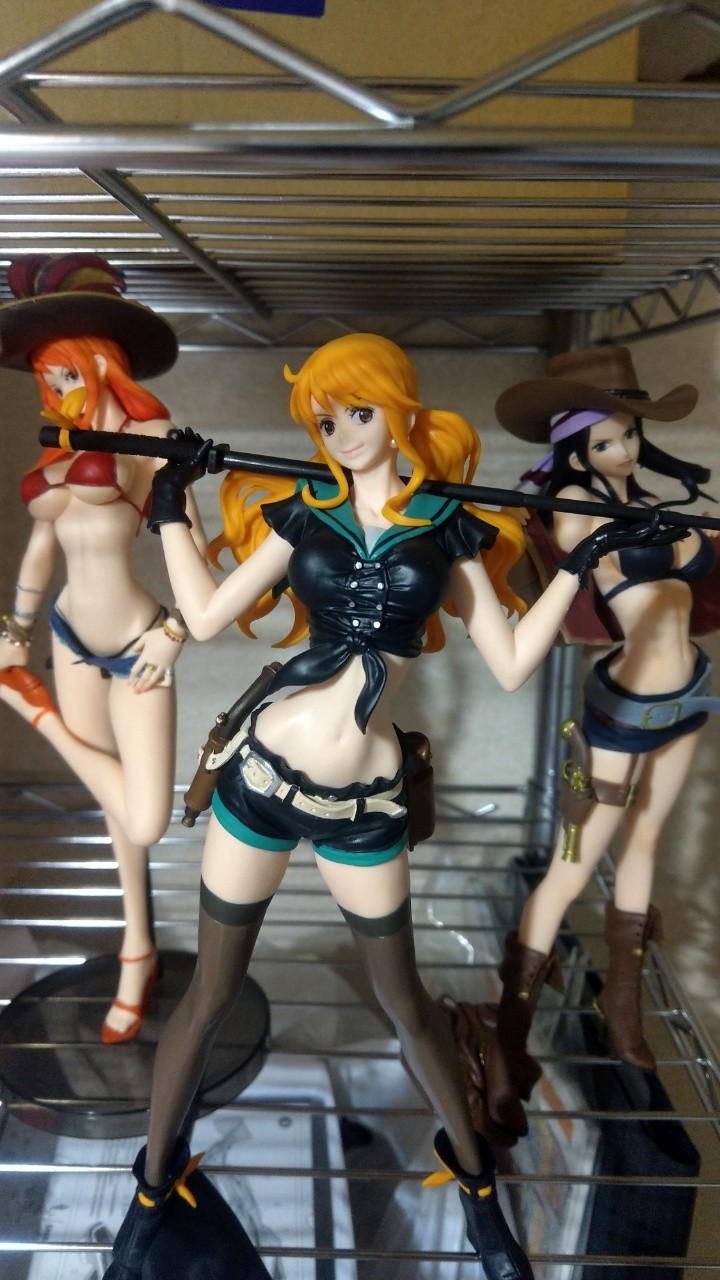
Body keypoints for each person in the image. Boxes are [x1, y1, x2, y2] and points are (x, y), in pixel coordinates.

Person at [106, 333, 669, 1280]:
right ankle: (152, 1198)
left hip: (362, 805)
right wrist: (172, 501)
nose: (342, 434)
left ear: (402, 411)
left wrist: (580, 565)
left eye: (359, 413)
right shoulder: (306, 512)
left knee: (405, 1002)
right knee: (208, 996)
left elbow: (510, 662)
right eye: (325, 422)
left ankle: (481, 1195)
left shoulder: (449, 526)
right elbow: (202, 618)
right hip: (261, 783)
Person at [479, 344, 715, 1142]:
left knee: (647, 840)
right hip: (622, 710)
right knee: (575, 862)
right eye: (608, 438)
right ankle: (509, 1031)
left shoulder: (644, 498)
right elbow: (584, 558)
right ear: (575, 446)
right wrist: (645, 528)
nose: (625, 448)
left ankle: (623, 1003)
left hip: (688, 694)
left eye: (631, 434)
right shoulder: (578, 503)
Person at [0, 254, 205, 1043]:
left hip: (136, 644)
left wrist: (179, 632)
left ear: (99, 363)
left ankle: (33, 714)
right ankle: (137, 947)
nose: (54, 392)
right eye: (45, 379)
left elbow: (197, 562)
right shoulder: (58, 446)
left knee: (145, 819)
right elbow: (40, 549)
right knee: (116, 812)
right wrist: (18, 628)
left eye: (65, 374)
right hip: (67, 634)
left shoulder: (152, 440)